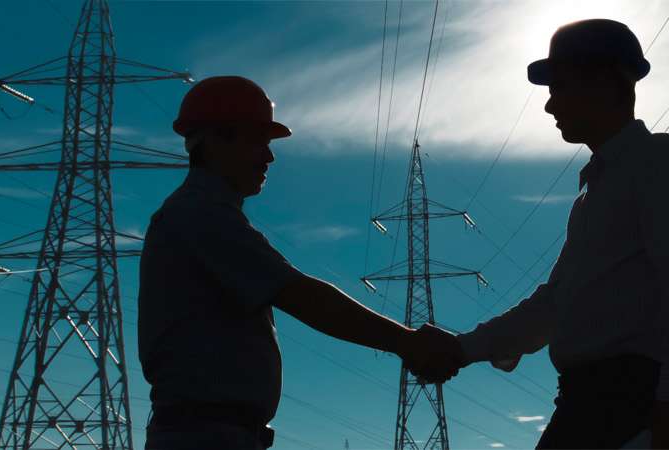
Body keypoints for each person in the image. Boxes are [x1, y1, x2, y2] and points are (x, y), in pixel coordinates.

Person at [403, 19, 669, 449]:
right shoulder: (597, 191)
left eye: (559, 87)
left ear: (604, 83)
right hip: (591, 407)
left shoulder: (662, 164)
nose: (550, 106)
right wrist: (462, 349)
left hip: (624, 406)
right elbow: (555, 305)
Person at [138, 75, 463, 450]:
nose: (269, 156)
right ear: (214, 139)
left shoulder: (206, 217)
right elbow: (302, 296)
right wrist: (407, 342)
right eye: (258, 141)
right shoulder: (200, 217)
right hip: (206, 436)